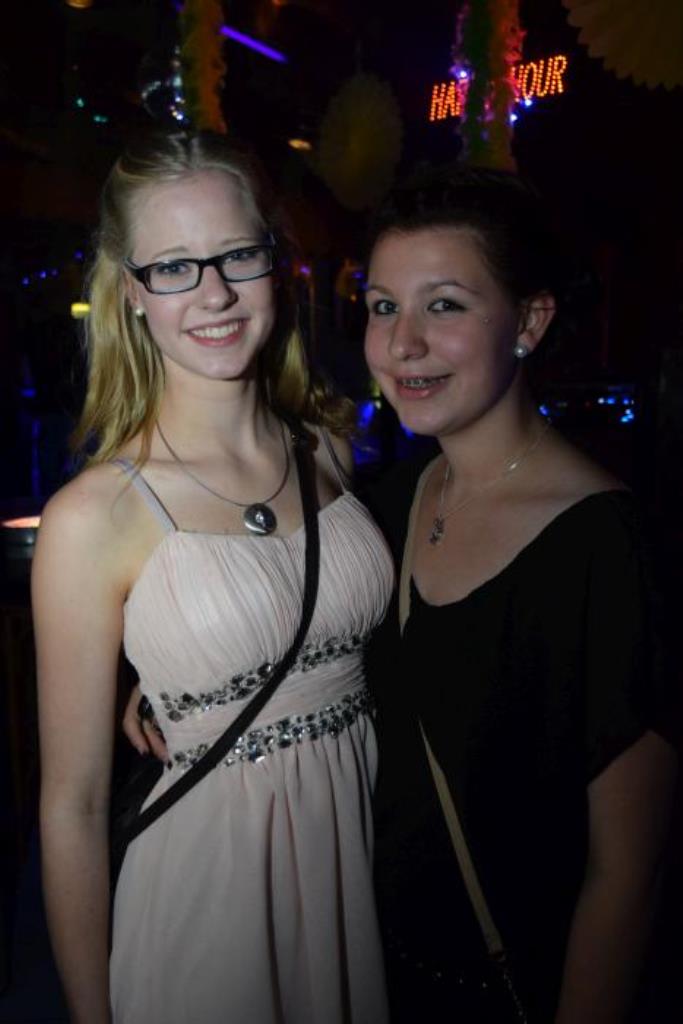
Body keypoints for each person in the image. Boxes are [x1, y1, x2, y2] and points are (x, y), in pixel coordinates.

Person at [33, 129, 393, 1024]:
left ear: (276, 261)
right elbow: (73, 805)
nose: (215, 292)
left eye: (237, 254)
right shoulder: (94, 516)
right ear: (129, 292)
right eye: (174, 267)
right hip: (206, 906)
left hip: (360, 877)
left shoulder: (330, 449)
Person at [361, 167, 678, 1022]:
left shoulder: (606, 547)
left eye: (444, 305)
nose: (402, 344)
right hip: (372, 979)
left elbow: (629, 873)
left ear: (529, 323)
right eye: (383, 307)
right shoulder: (388, 503)